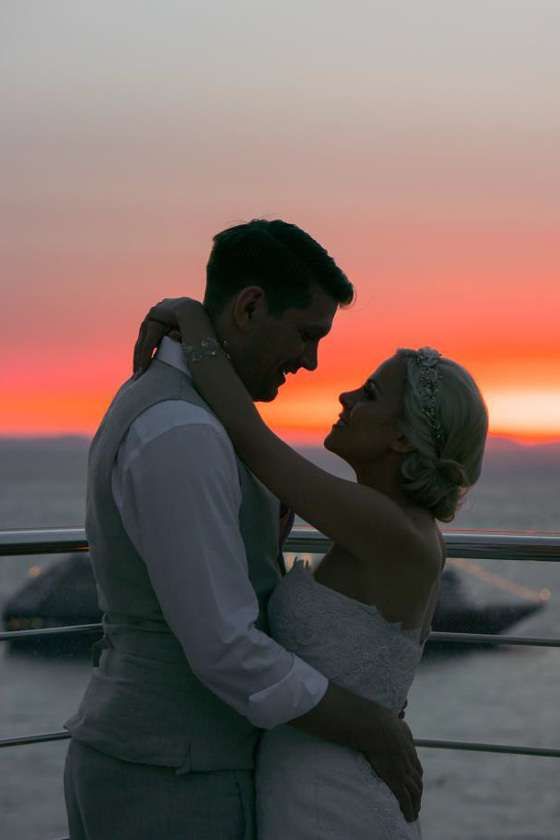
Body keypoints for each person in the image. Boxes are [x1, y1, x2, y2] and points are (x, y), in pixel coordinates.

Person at [63, 219, 423, 840]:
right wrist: (372, 725)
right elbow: (226, 647)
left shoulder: (178, 408)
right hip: (171, 779)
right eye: (307, 335)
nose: (311, 363)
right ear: (251, 307)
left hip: (166, 766)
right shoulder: (185, 432)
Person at [133, 296, 488, 839]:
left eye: (369, 393)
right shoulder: (384, 529)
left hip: (333, 802)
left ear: (400, 436)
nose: (345, 395)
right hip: (306, 784)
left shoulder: (394, 530)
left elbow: (254, 442)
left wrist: (193, 321)